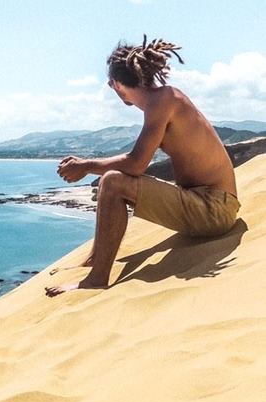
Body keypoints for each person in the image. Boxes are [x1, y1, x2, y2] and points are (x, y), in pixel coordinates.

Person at [44, 36, 240, 297]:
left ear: (116, 84)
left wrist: (85, 166)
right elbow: (137, 157)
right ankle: (96, 257)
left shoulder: (163, 102)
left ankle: (96, 279)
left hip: (213, 210)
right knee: (112, 180)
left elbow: (136, 164)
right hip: (211, 204)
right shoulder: (165, 99)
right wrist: (88, 166)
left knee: (112, 182)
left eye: (112, 84)